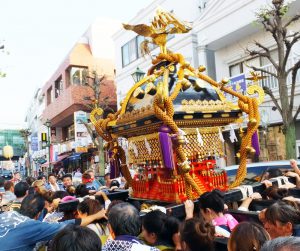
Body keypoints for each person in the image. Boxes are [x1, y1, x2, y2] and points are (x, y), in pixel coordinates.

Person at [0, 193, 107, 251]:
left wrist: (47, 209)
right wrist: (97, 215)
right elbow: (66, 226)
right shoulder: (34, 226)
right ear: (39, 214)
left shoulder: (6, 214)